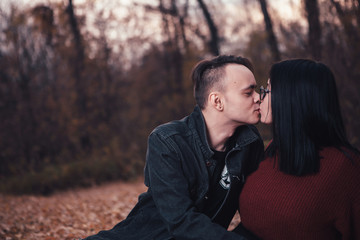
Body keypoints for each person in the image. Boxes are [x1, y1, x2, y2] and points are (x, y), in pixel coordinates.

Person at [84, 55, 264, 240]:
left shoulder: (249, 143)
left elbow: (258, 210)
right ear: (217, 101)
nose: (259, 98)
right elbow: (181, 221)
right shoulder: (167, 141)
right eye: (248, 93)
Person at [238, 59, 360, 240]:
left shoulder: (346, 168)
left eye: (268, 89)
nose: (260, 97)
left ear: (291, 98)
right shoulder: (273, 150)